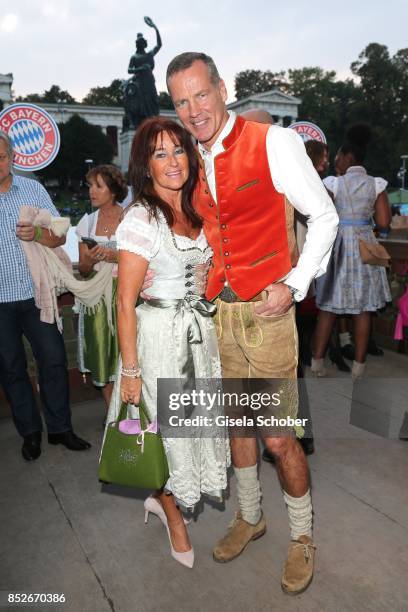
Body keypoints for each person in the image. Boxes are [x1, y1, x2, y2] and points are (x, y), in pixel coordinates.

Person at [165, 52, 338, 594]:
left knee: (279, 440)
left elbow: (324, 216)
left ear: (221, 88)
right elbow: (208, 232)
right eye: (180, 101)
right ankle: (250, 515)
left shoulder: (273, 142)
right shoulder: (192, 157)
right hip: (222, 316)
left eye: (200, 94)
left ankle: (303, 537)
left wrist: (294, 285)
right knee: (238, 428)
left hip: (268, 317)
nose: (192, 110)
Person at [105, 117, 229, 569]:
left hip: (199, 336)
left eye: (178, 150)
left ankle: (170, 500)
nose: (173, 161)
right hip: (158, 340)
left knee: (191, 429)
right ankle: (170, 512)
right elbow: (124, 302)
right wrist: (132, 371)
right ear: (146, 165)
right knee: (160, 435)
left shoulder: (198, 211)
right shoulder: (141, 218)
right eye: (160, 154)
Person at [0, 130, 91, 461]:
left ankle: (60, 429)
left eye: (1, 156)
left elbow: (59, 234)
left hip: (36, 294)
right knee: (11, 368)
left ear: (12, 157)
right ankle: (30, 433)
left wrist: (38, 232)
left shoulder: (33, 189)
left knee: (53, 359)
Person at [312, 125, 391, 380]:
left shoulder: (333, 184)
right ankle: (359, 367)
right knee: (363, 309)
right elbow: (384, 222)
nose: (334, 160)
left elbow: (318, 214)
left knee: (328, 307)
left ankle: (317, 362)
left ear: (348, 157)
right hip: (365, 247)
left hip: (338, 248)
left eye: (337, 156)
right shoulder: (376, 185)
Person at [76, 165, 127, 414]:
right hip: (97, 298)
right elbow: (84, 270)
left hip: (126, 294)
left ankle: (134, 413)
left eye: (98, 186)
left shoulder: (131, 218)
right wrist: (92, 259)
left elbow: (142, 259)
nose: (91, 192)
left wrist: (114, 255)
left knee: (127, 354)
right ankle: (112, 416)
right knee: (101, 355)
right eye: (90, 186)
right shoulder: (87, 223)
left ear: (114, 190)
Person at [123, 16, 162, 130]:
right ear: (137, 44)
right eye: (139, 43)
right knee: (142, 105)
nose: (140, 44)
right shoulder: (134, 57)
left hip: (150, 82)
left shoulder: (149, 54)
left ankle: (154, 123)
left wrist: (155, 28)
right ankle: (144, 124)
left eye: (142, 42)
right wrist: (141, 68)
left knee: (153, 101)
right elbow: (129, 70)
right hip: (140, 84)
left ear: (144, 44)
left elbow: (159, 45)